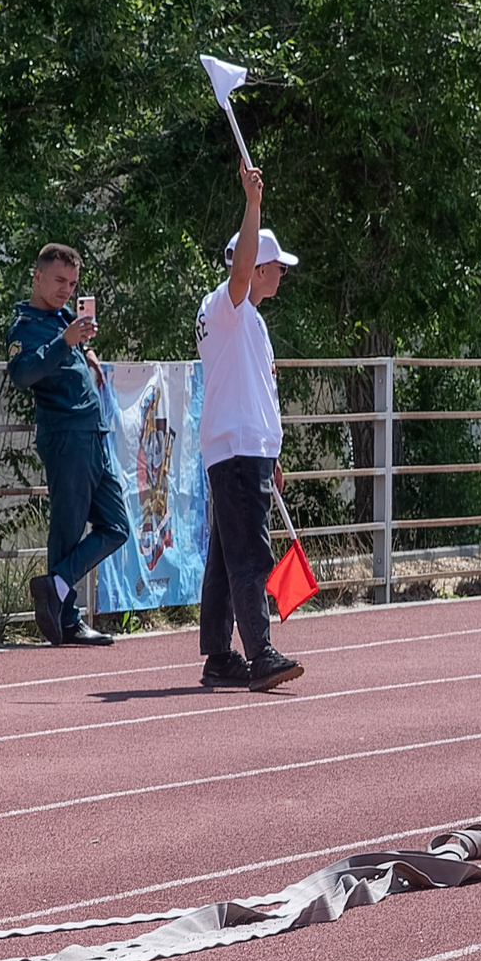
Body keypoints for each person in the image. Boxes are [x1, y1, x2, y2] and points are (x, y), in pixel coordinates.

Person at [195, 165, 304, 692]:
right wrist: (252, 203)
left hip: (245, 447)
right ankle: (258, 650)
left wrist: (273, 454)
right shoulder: (227, 305)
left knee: (224, 554)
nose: (281, 273)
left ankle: (219, 654)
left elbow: (258, 392)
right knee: (248, 553)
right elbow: (238, 275)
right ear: (255, 267)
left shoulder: (248, 322)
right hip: (237, 449)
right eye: (276, 265)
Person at [7, 243, 123, 647]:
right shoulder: (26, 324)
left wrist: (85, 350)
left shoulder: (61, 317)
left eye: (72, 284)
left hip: (92, 430)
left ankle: (55, 586)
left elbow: (66, 348)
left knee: (117, 525)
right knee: (69, 528)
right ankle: (67, 615)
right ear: (37, 276)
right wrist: (66, 342)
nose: (66, 291)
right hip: (66, 434)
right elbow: (22, 374)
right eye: (59, 281)